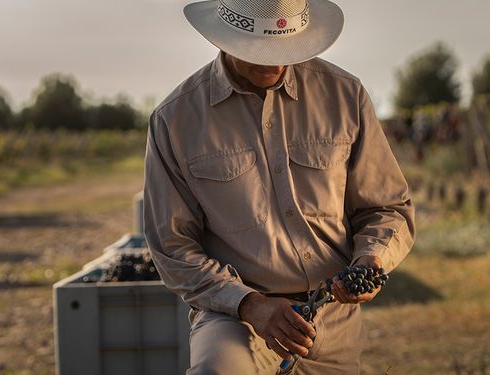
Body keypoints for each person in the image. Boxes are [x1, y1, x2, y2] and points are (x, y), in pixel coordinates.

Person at [143, 0, 415, 373]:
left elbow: (387, 206)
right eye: (259, 49)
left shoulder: (345, 96)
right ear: (222, 39)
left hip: (333, 318)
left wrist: (371, 258)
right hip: (237, 317)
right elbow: (173, 247)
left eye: (287, 48)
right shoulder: (175, 120)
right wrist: (251, 305)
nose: (275, 62)